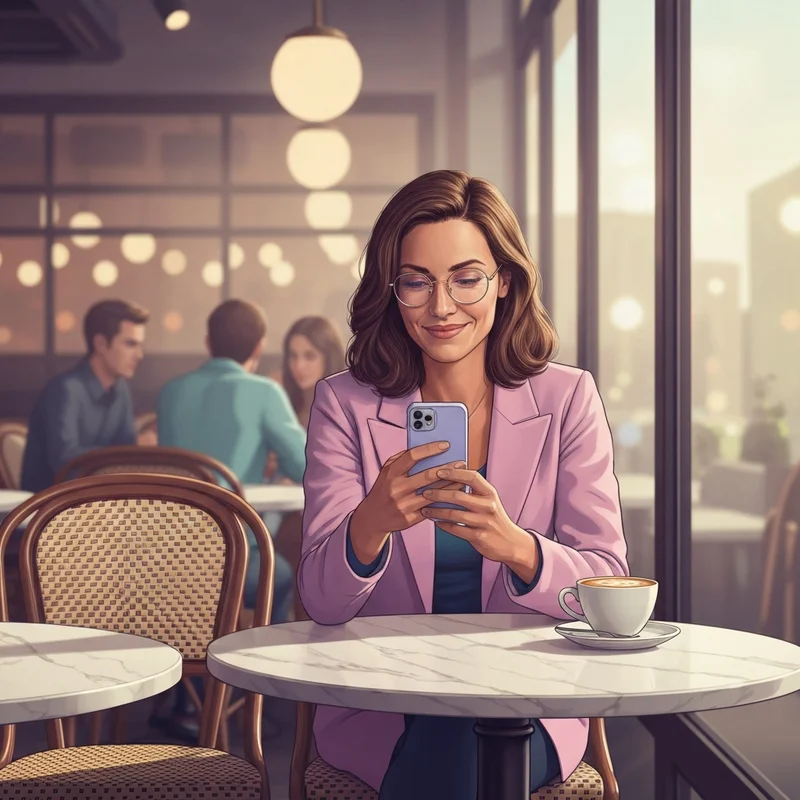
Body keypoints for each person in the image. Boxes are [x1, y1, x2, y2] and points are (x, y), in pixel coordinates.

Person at [298, 170, 629, 798]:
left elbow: (608, 584)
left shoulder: (567, 399)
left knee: (472, 745)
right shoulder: (343, 404)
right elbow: (322, 601)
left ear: (505, 281)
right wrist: (369, 524)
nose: (441, 307)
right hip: (384, 698)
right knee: (452, 751)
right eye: (416, 283)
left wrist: (519, 549)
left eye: (465, 278)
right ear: (391, 292)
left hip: (527, 698)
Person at [157, 299, 306, 624]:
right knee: (279, 575)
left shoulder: (170, 392)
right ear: (259, 346)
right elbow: (308, 465)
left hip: (167, 555)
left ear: (208, 343)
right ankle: (266, 665)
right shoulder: (265, 392)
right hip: (233, 558)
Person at [20, 299, 149, 492]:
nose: (139, 355)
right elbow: (65, 462)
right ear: (100, 343)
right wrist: (132, 448)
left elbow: (125, 454)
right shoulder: (65, 390)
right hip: (48, 508)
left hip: (96, 501)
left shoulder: (121, 389)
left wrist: (134, 448)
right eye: (130, 344)